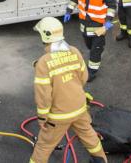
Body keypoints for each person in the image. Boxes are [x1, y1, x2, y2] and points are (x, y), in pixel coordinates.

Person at [30, 17, 107, 163]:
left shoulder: (43, 63)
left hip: (58, 117)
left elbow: (43, 96)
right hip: (80, 109)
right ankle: (101, 160)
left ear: (44, 36)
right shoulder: (74, 51)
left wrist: (42, 118)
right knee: (90, 137)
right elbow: (83, 78)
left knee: (43, 146)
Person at [64, 0, 117, 81]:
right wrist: (69, 10)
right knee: (89, 46)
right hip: (84, 25)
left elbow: (112, 5)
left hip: (98, 26)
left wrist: (108, 21)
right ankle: (94, 57)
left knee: (95, 50)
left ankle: (92, 72)